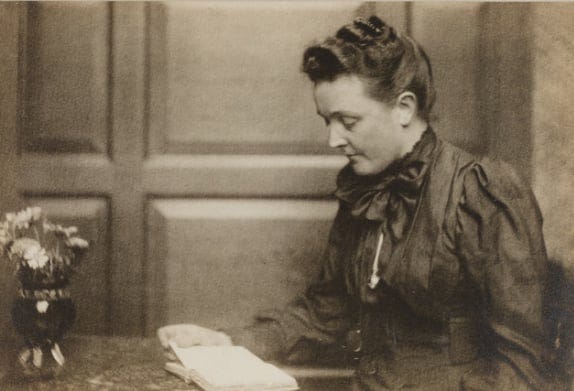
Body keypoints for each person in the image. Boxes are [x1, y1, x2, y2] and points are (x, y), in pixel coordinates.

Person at [158, 16, 568, 390]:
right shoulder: (363, 190)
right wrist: (227, 343)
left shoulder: (482, 190)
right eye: (327, 121)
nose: (333, 140)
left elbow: (523, 366)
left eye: (348, 121)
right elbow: (324, 313)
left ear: (404, 108)